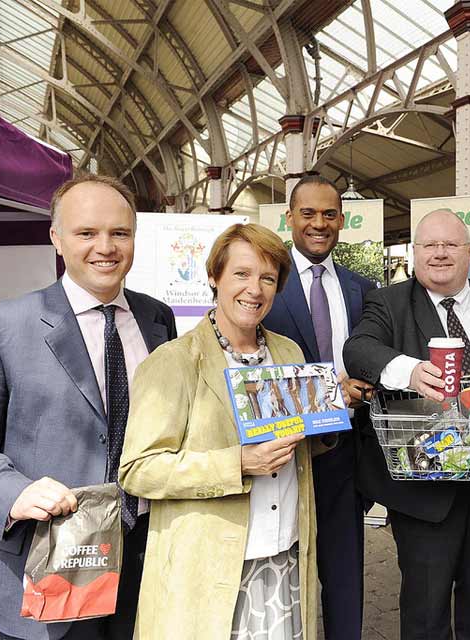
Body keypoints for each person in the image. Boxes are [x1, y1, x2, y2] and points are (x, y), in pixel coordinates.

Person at [0, 174, 177, 640]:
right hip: (51, 565)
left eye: (120, 233)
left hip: (146, 557)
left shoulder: (158, 320)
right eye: (86, 233)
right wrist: (13, 493)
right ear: (56, 237)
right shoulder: (3, 326)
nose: (105, 247)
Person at [119, 223, 324, 640]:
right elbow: (138, 470)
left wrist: (323, 420)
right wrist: (238, 463)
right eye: (242, 274)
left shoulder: (288, 352)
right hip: (210, 569)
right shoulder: (175, 361)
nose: (255, 289)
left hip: (285, 556)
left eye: (268, 278)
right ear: (214, 277)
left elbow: (296, 449)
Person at [342, 209, 470, 640]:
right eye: (429, 245)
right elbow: (359, 349)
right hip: (424, 491)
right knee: (426, 611)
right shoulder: (389, 302)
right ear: (416, 252)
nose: (440, 253)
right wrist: (408, 370)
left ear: (467, 251)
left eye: (450, 245)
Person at [262, 175, 375, 640]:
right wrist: (330, 395)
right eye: (307, 213)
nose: (319, 223)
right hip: (285, 452)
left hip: (347, 452)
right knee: (288, 567)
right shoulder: (266, 284)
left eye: (329, 214)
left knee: (345, 571)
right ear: (289, 218)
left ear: (342, 221)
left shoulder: (361, 288)